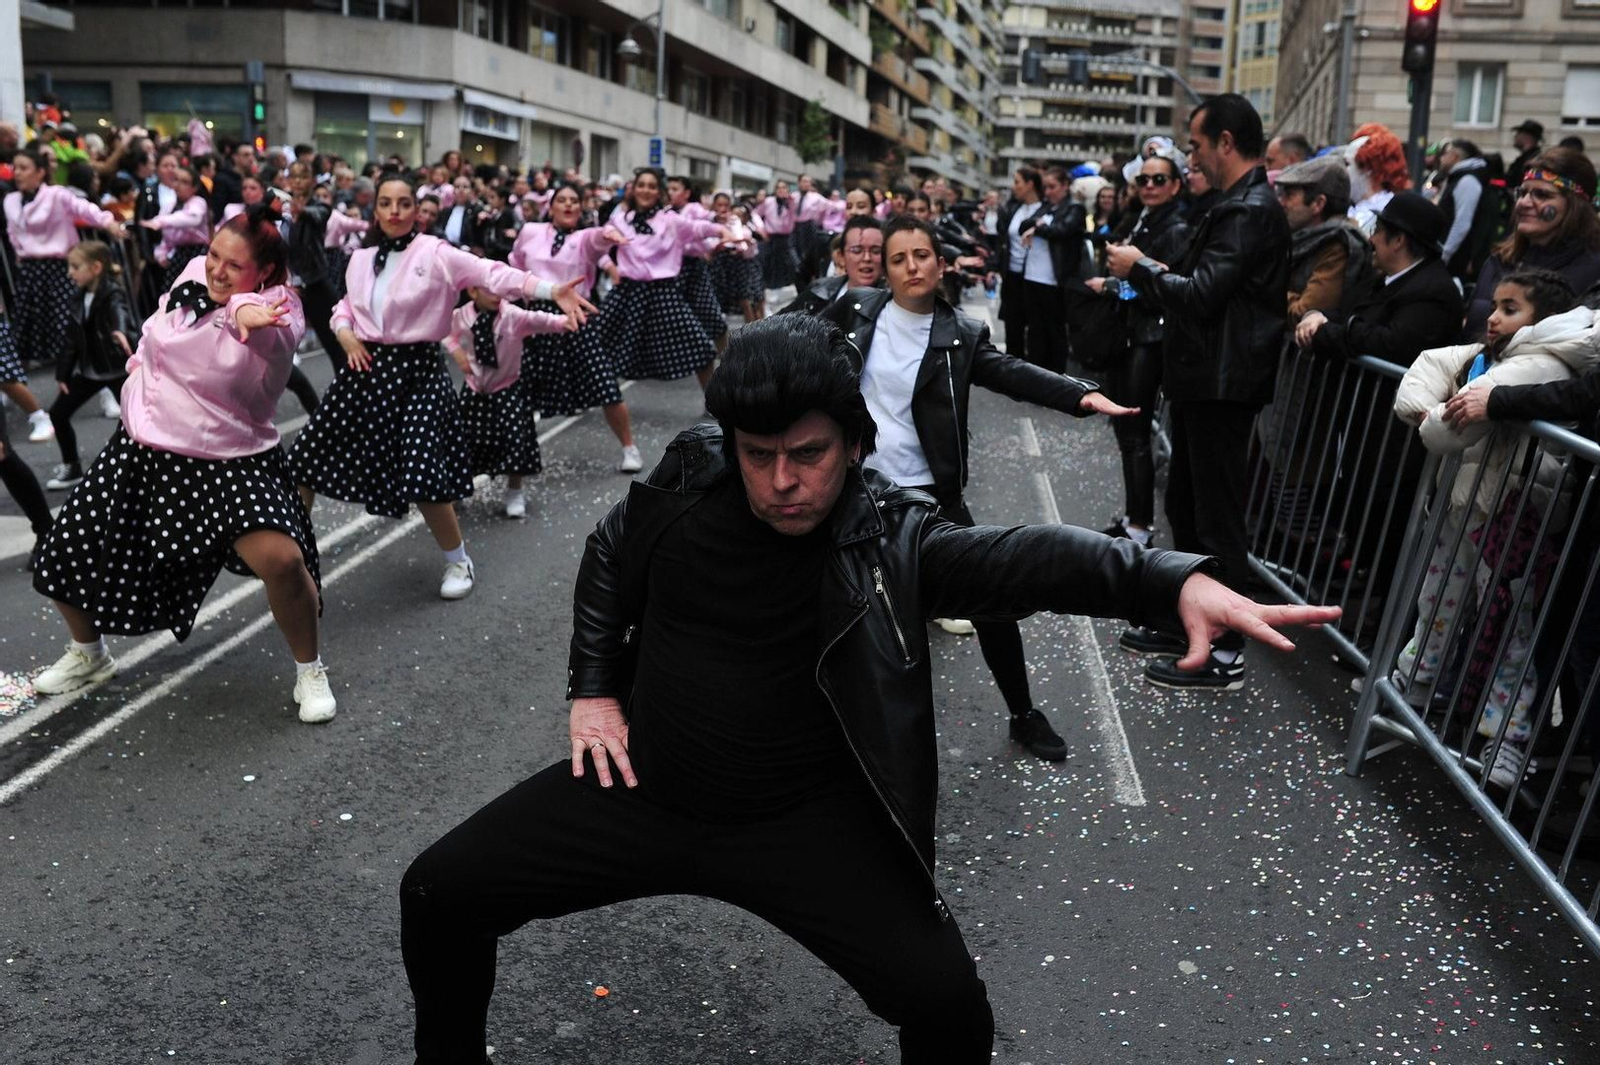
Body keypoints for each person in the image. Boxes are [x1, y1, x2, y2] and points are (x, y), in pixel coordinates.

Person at [397, 312, 1341, 1065]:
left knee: (950, 1014)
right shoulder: (691, 478)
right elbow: (611, 551)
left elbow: (1029, 560)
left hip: (803, 825)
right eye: (758, 452)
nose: (780, 482)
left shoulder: (893, 538)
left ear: (853, 442)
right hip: (646, 789)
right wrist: (594, 687)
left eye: (806, 453)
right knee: (437, 890)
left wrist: (1169, 578)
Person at [823, 214, 1136, 759]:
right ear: (887, 272)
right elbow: (793, 343)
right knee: (837, 607)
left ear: (940, 264)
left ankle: (1023, 713)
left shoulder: (961, 335)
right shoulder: (856, 311)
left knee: (991, 598)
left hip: (928, 498)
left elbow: (1011, 372)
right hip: (855, 490)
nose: (910, 266)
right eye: (898, 259)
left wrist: (1079, 396)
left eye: (920, 255)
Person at [28, 208, 337, 723]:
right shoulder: (194, 272)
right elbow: (156, 334)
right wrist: (136, 372)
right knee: (63, 553)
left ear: (263, 274)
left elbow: (267, 335)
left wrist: (245, 313)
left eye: (233, 266)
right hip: (145, 447)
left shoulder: (279, 309)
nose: (216, 270)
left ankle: (310, 669)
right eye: (215, 254)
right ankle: (89, 653)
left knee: (282, 561)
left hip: (229, 459)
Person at [288, 175, 593, 600]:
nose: (394, 211)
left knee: (423, 472)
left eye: (404, 203)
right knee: (303, 461)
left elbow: (493, 273)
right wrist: (344, 333)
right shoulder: (360, 258)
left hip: (417, 373)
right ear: (375, 210)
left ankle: (458, 560)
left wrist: (548, 289)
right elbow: (344, 307)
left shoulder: (436, 252)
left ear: (416, 210)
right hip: (366, 368)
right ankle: (295, 560)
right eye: (386, 203)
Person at [1108, 92, 1290, 691]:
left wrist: (1141, 268)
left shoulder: (1249, 209)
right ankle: (1190, 621)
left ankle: (1226, 648)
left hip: (1222, 381)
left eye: (1195, 144)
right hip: (1203, 378)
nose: (1192, 155)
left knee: (1216, 520)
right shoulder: (1230, 204)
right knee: (1186, 506)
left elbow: (1204, 293)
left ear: (1226, 143)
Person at [1391, 270, 1599, 776]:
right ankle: (1416, 682)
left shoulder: (1537, 363)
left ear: (1540, 321)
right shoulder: (1503, 353)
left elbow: (1449, 432)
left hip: (1512, 515)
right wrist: (1427, 408)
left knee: (1511, 626)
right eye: (1495, 304)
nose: (1492, 316)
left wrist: (1430, 418)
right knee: (1438, 599)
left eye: (1510, 309)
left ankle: (1507, 735)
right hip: (1470, 504)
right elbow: (1433, 363)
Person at [1085, 151, 1192, 546]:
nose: (1149, 186)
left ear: (1176, 185)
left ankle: (1140, 527)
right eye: (1144, 179)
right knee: (1128, 433)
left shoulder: (1176, 226)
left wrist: (1115, 284)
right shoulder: (1145, 218)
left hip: (1148, 338)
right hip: (1132, 335)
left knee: (1134, 433)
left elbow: (1162, 286)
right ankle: (1135, 520)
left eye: (1159, 180)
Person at [508, 181, 640, 472]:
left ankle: (629, 448)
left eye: (574, 201)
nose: (568, 205)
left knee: (605, 386)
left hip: (576, 317)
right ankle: (516, 471)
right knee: (520, 392)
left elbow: (598, 239)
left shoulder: (583, 238)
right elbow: (515, 264)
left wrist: (609, 234)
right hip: (535, 317)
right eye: (562, 200)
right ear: (551, 206)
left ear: (581, 208)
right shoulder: (530, 231)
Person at [3, 147, 126, 443]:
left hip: (59, 269)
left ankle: (106, 393)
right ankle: (9, 390)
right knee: (20, 335)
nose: (17, 172)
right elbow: (12, 232)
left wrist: (107, 221)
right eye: (15, 167)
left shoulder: (56, 195)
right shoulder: (10, 200)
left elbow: (86, 210)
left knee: (76, 334)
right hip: (30, 271)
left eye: (23, 167)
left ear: (40, 171)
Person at [592, 168, 730, 392]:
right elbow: (596, 247)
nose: (646, 190)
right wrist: (611, 268)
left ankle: (717, 404)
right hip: (627, 293)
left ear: (659, 192)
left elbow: (698, 228)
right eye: (641, 185)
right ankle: (599, 395)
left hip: (663, 293)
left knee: (702, 350)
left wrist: (722, 230)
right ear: (634, 189)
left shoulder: (670, 220)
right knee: (597, 346)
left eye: (652, 186)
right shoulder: (619, 220)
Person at [444, 286, 570, 519]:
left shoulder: (512, 315)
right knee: (464, 441)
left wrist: (565, 321)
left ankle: (514, 491)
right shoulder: (461, 316)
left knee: (515, 440)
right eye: (489, 291)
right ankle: (459, 487)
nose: (496, 296)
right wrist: (456, 352)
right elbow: (442, 330)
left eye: (500, 291)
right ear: (473, 293)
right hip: (475, 388)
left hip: (507, 387)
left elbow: (539, 320)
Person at [1465, 148, 1600, 338]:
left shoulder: (1593, 271)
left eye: (1542, 195)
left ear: (1575, 206)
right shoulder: (1499, 261)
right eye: (1522, 193)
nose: (1524, 203)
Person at [43, 241, 136, 492]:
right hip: (90, 371)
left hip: (117, 369)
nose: (69, 273)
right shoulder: (78, 297)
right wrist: (63, 373)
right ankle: (72, 467)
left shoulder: (112, 292)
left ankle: (145, 472)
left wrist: (119, 330)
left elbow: (120, 312)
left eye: (75, 266)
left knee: (135, 422)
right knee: (57, 413)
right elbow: (72, 339)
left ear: (96, 267)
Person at [1017, 166, 1087, 374]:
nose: (1047, 192)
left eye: (1052, 187)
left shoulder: (1075, 208)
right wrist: (1036, 224)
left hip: (1055, 279)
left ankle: (1055, 375)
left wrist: (1038, 227)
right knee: (1035, 329)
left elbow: (1062, 231)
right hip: (1032, 275)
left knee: (1055, 330)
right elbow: (1024, 225)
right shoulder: (1046, 207)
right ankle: (1036, 374)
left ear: (1065, 186)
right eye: (1046, 187)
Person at [780, 213, 884, 314]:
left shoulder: (892, 302)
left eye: (875, 251)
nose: (867, 258)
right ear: (841, 256)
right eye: (857, 250)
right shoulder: (818, 290)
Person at [1435, 139, 1499, 287]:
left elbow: (1462, 223)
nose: (1441, 158)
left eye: (1445, 153)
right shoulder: (1460, 178)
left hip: (1457, 262)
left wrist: (1444, 255)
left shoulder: (1467, 180)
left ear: (1455, 157)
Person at [996, 168, 1044, 364]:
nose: (1014, 187)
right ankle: (1012, 369)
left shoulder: (1045, 209)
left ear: (1030, 184)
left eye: (1017, 182)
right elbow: (1003, 240)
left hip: (1034, 276)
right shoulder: (1013, 208)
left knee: (1034, 327)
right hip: (1011, 275)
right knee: (1012, 324)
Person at [139, 163, 212, 291]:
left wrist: (161, 221)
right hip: (178, 255)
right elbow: (167, 238)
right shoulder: (169, 205)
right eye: (176, 180)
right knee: (171, 294)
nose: (178, 185)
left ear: (194, 187)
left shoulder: (198, 202)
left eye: (185, 182)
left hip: (198, 253)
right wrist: (161, 254)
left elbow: (192, 218)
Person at [1345, 125, 1411, 236]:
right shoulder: (1354, 208)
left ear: (1368, 168)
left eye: (1347, 164)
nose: (1344, 170)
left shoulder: (1388, 213)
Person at [754, 178, 799, 290]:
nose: (781, 190)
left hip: (786, 238)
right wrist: (761, 228)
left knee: (788, 265)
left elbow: (795, 215)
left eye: (784, 188)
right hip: (770, 238)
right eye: (778, 188)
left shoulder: (792, 202)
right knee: (769, 264)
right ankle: (768, 289)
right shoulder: (769, 201)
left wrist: (789, 201)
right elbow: (755, 213)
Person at [1507, 120, 1544, 187]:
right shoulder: (1522, 159)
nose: (1515, 137)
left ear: (1527, 136)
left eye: (1518, 133)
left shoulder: (1536, 160)